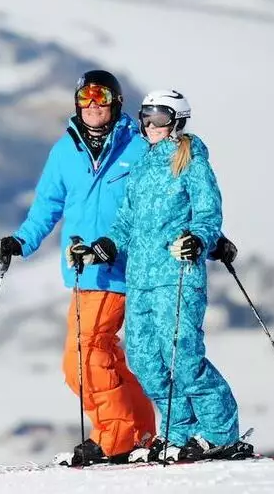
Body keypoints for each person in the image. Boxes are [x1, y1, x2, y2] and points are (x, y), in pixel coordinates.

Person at [67, 89, 253, 463]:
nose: (151, 125)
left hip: (177, 275)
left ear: (178, 120)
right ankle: (177, 431)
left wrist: (197, 239)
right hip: (140, 279)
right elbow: (125, 223)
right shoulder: (141, 168)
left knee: (183, 357)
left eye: (160, 118)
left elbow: (207, 215)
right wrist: (99, 249)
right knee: (144, 360)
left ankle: (220, 433)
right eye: (146, 117)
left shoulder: (192, 161)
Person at [0, 70, 156, 466]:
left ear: (117, 102)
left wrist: (207, 237)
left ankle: (115, 438)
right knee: (98, 358)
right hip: (86, 273)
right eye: (85, 97)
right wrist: (21, 241)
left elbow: (166, 199)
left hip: (128, 267)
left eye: (101, 96)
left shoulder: (139, 147)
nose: (93, 104)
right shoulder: (65, 152)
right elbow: (47, 206)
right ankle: (139, 432)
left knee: (84, 360)